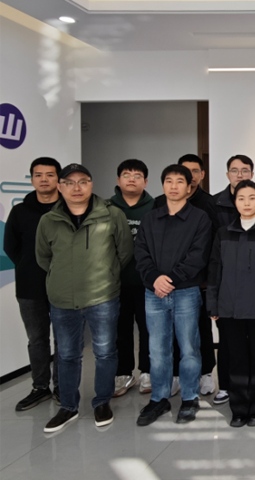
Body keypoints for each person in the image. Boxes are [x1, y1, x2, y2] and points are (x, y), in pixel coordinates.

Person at [35, 163, 133, 433]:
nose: (76, 188)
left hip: (102, 296)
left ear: (91, 184)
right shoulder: (49, 221)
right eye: (69, 182)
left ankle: (102, 402)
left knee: (105, 352)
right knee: (67, 355)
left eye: (83, 181)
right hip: (63, 298)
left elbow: (124, 252)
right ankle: (68, 406)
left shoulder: (112, 215)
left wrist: (107, 275)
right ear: (60, 187)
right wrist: (63, 277)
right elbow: (43, 257)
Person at [135, 165, 212, 426]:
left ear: (189, 187)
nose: (174, 186)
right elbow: (140, 252)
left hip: (186, 291)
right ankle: (159, 398)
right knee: (157, 349)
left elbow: (198, 255)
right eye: (169, 181)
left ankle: (190, 397)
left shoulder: (199, 218)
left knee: (189, 347)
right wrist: (154, 278)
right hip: (154, 292)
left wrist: (170, 280)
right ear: (162, 185)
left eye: (180, 181)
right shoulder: (150, 218)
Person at [207, 180, 255, 427]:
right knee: (236, 359)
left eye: (252, 198)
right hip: (230, 308)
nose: (247, 203)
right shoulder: (223, 233)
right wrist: (213, 304)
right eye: (241, 198)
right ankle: (239, 408)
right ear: (235, 202)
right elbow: (215, 271)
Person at [155, 154, 220, 402]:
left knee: (200, 330)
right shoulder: (159, 204)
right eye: (184, 171)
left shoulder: (208, 203)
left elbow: (209, 246)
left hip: (197, 279)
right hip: (164, 282)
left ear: (201, 175)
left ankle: (206, 373)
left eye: (194, 171)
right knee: (169, 333)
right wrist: (160, 278)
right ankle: (174, 375)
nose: (189, 176)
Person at [5, 158, 62, 411]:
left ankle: (62, 386)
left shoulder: (68, 209)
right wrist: (30, 267)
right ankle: (40, 387)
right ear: (32, 179)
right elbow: (11, 247)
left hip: (64, 286)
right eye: (38, 175)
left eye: (49, 175)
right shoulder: (20, 211)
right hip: (29, 287)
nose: (44, 179)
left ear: (58, 179)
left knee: (64, 340)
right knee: (37, 339)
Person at [110, 159, 155, 396]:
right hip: (115, 282)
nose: (131, 179)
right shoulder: (106, 208)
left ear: (145, 181)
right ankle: (123, 374)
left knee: (148, 329)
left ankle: (147, 372)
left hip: (146, 281)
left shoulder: (155, 207)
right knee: (120, 329)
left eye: (137, 176)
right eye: (126, 175)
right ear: (118, 180)